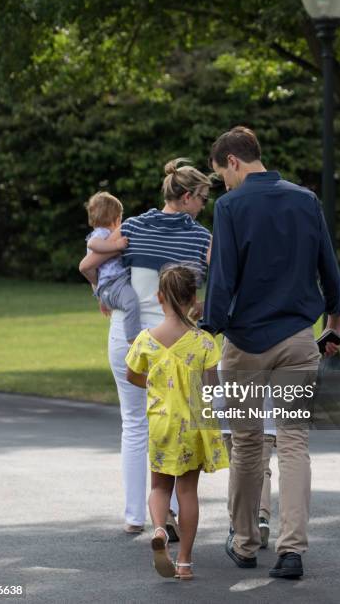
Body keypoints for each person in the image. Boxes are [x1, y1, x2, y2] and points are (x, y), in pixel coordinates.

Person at [201, 126, 340, 579]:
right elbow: (329, 267)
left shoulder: (230, 206)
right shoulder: (306, 200)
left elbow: (222, 277)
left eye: (220, 175)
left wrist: (210, 329)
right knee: (293, 443)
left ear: (233, 161)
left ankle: (244, 542)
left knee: (246, 446)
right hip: (297, 341)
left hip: (245, 343)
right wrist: (334, 323)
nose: (222, 186)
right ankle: (292, 551)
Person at [79, 159, 212, 536]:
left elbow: (89, 263)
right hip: (179, 342)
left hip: (129, 337)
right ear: (186, 197)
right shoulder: (201, 238)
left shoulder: (132, 226)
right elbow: (207, 291)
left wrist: (99, 293)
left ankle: (136, 515)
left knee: (135, 424)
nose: (204, 205)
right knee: (177, 423)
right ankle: (168, 510)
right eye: (202, 197)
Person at [125, 265, 229, 580]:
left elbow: (132, 375)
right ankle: (184, 562)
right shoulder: (205, 342)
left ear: (159, 298)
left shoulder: (146, 339)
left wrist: (159, 387)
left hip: (161, 423)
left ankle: (159, 529)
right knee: (187, 492)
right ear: (193, 299)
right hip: (193, 426)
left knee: (158, 486)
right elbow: (211, 387)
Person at [79, 191, 141, 343]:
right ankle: (133, 338)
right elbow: (92, 244)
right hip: (114, 283)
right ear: (115, 217)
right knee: (132, 302)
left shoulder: (105, 234)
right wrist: (116, 245)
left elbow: (96, 280)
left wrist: (100, 297)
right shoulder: (101, 233)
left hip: (109, 286)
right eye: (120, 216)